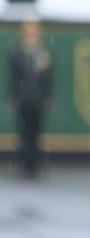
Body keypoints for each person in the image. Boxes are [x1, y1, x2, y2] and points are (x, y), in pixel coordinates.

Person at [7, 20, 53, 177]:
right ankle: (23, 163)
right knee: (23, 133)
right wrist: (13, 96)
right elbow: (13, 77)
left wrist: (48, 97)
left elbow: (48, 79)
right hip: (23, 98)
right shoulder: (17, 52)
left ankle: (33, 163)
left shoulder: (44, 53)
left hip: (38, 99)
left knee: (35, 132)